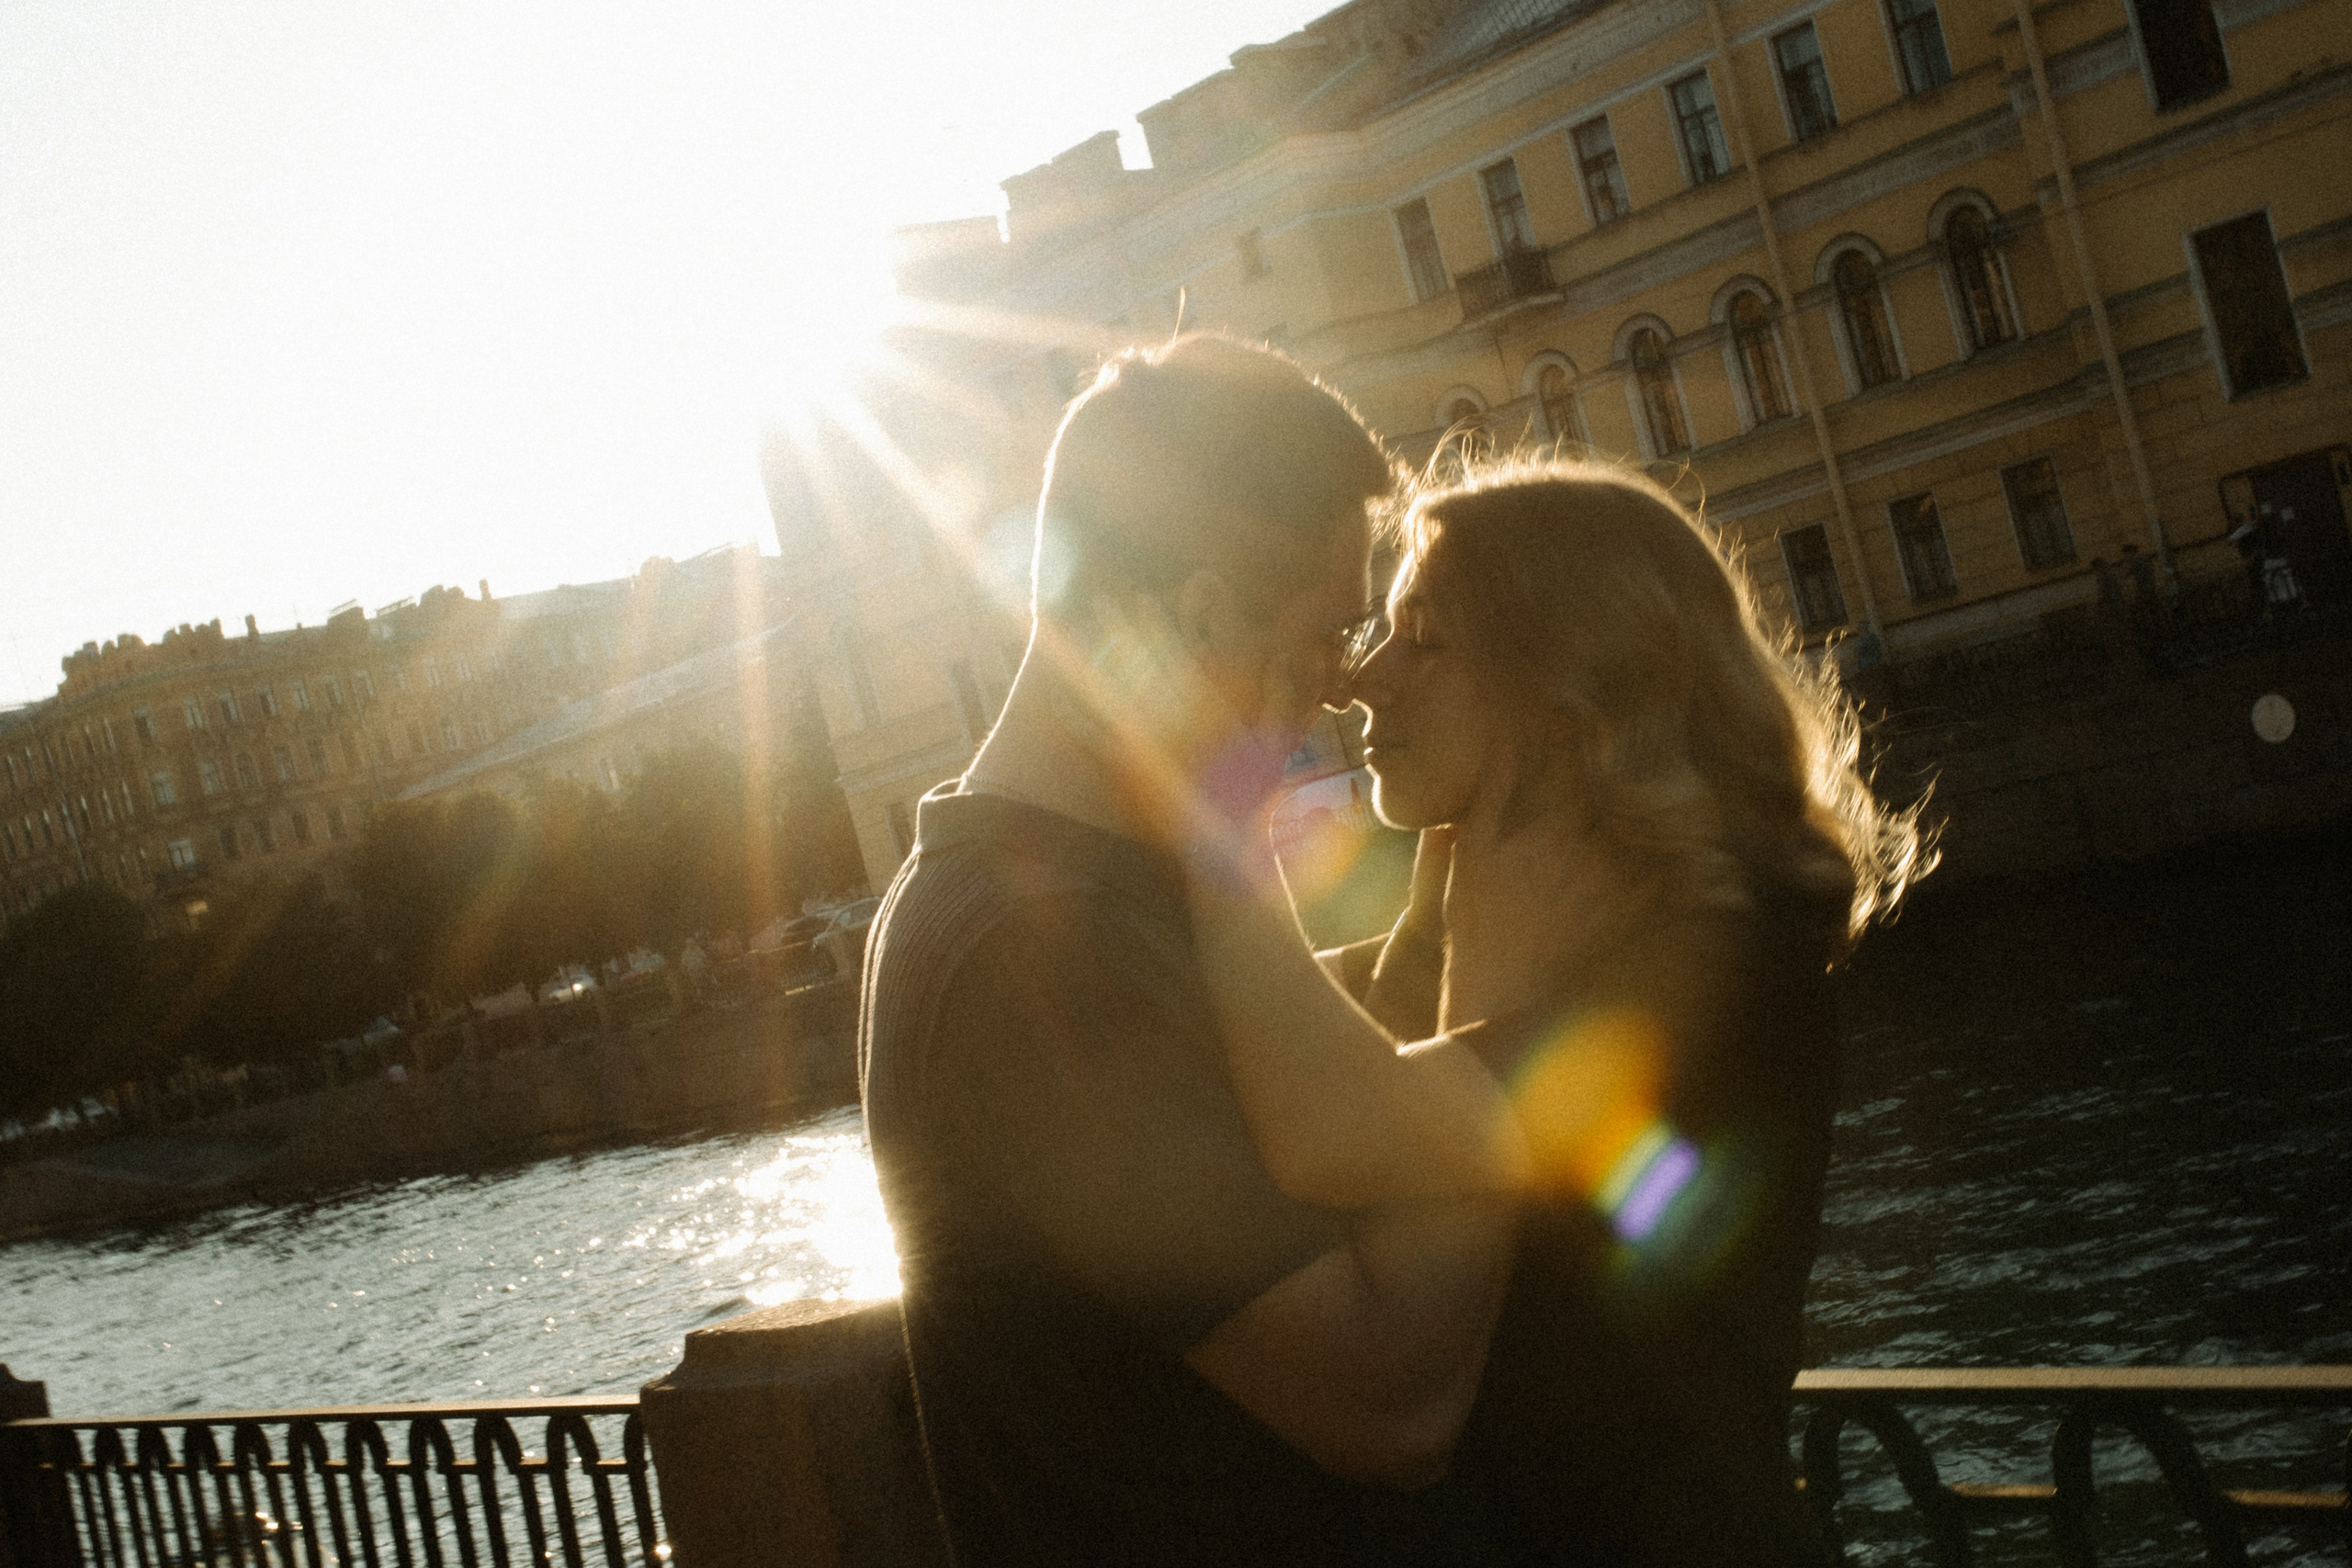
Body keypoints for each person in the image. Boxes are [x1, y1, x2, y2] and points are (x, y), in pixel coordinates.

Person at [1184, 457, 1930, 1565]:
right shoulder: (1493, 918)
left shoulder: (1713, 964)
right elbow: (1296, 1046)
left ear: (1574, 682)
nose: (1362, 679)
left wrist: (1213, 809)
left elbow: (1333, 1130)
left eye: (1422, 638)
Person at [858, 334, 1518, 1566]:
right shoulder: (1038, 951)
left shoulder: (1031, 891)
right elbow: (1393, 1402)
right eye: (1326, 631)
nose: (1334, 688)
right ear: (1203, 608)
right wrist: (1499, 1105)